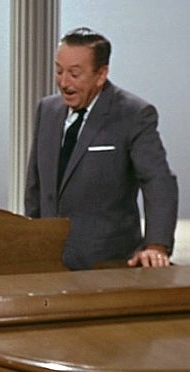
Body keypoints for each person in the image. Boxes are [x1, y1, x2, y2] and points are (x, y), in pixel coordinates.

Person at [24, 27, 178, 270]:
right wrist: (30, 239)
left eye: (75, 74)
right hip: (48, 259)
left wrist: (156, 245)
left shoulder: (133, 114)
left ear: (101, 74)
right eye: (59, 71)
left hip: (107, 262)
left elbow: (158, 181)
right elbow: (35, 185)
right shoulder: (47, 110)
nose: (64, 82)